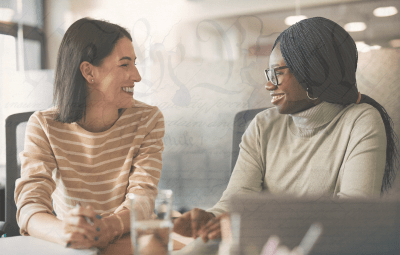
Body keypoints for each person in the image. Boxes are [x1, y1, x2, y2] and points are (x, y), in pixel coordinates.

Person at [173, 17, 399, 243]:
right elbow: (235, 201)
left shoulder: (361, 121)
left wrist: (253, 222)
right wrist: (211, 218)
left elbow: (352, 217)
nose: (269, 85)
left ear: (312, 72)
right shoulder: (262, 125)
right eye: (268, 74)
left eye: (278, 72)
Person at [14, 18, 165, 250]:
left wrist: (110, 227)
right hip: (75, 245)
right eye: (125, 65)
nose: (137, 76)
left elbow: (143, 198)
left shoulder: (148, 119)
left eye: (134, 64)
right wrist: (65, 230)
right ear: (88, 71)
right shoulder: (43, 125)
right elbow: (30, 207)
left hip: (131, 242)